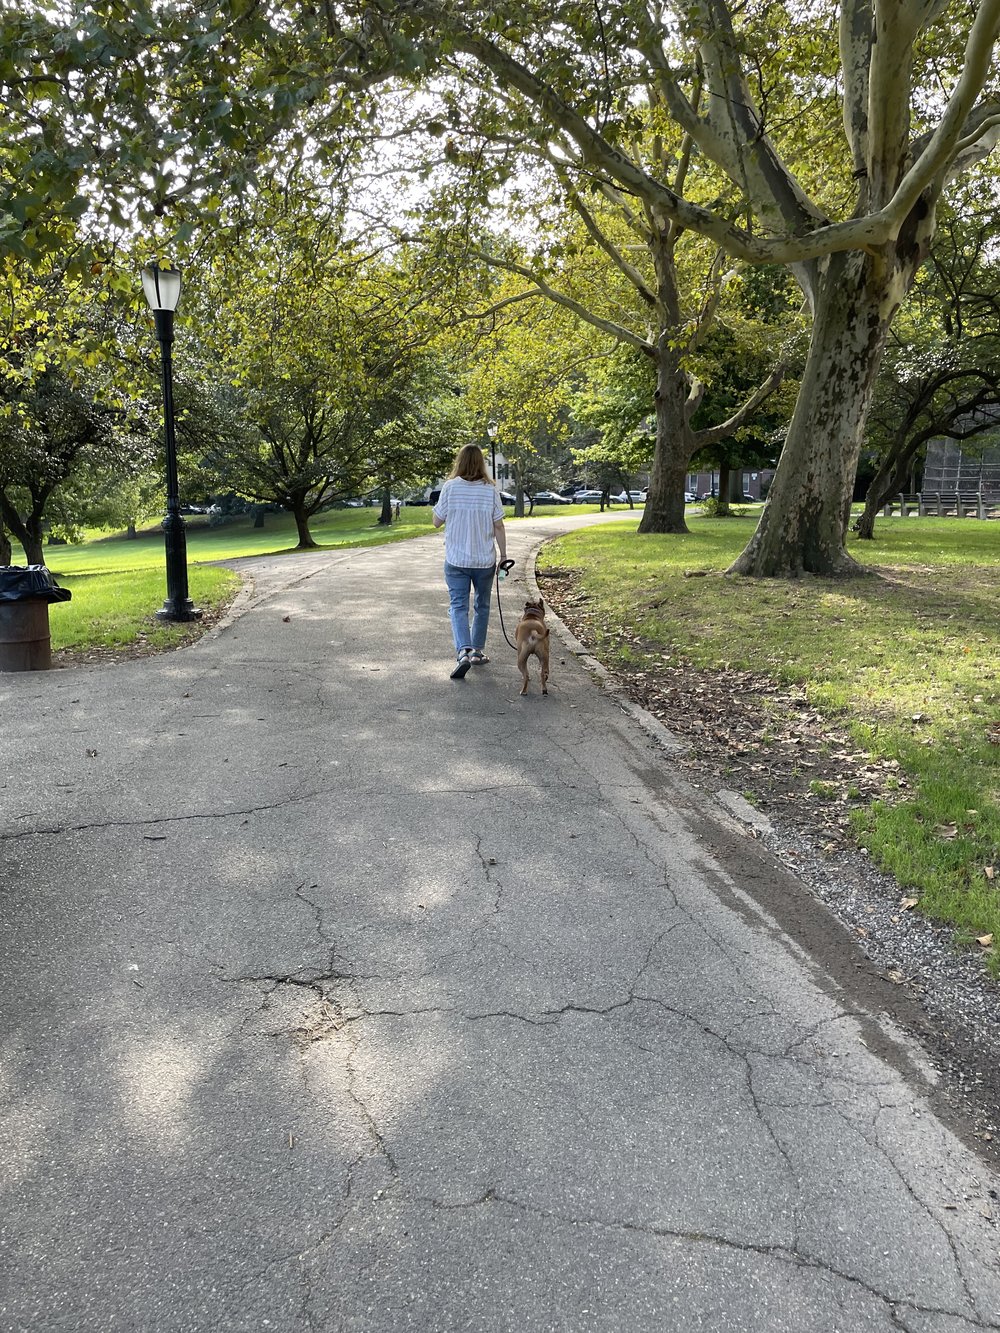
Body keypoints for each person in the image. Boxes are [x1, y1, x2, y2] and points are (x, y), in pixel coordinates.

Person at [432, 444, 509, 680]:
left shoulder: (450, 487)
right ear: (481, 464)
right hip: (484, 560)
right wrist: (503, 555)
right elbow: (498, 525)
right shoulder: (490, 490)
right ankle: (476, 652)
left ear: (460, 462)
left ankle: (463, 651)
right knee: (482, 605)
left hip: (456, 559)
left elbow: (436, 521)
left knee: (458, 606)